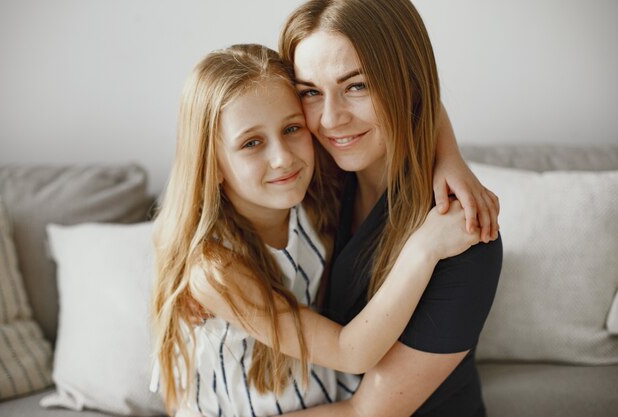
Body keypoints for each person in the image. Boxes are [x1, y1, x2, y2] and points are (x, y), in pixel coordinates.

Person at [150, 43, 482, 417]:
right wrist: (424, 250)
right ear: (211, 165)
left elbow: (409, 103)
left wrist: (450, 158)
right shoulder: (215, 270)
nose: (282, 157)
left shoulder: (314, 194)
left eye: (292, 128)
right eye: (251, 143)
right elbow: (350, 352)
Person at [277, 0, 503, 416]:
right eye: (310, 92)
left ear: (408, 83)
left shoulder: (462, 234)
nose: (330, 119)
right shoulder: (309, 174)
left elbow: (368, 413)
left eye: (356, 86)